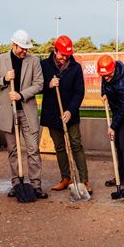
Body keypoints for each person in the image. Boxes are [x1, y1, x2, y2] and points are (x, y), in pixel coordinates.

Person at [0, 29, 47, 199]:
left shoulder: (34, 61)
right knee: (13, 151)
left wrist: (21, 95)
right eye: (22, 48)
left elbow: (39, 84)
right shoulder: (0, 60)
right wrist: (5, 80)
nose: (25, 51)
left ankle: (36, 185)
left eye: (27, 48)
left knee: (33, 149)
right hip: (9, 112)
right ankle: (17, 183)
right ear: (14, 45)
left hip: (27, 111)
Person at [40, 35, 92, 195]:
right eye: (62, 54)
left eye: (67, 55)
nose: (64, 58)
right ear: (55, 51)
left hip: (70, 114)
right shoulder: (44, 65)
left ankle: (84, 181)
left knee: (76, 145)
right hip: (52, 113)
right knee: (59, 147)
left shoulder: (75, 68)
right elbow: (37, 86)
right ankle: (65, 178)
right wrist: (48, 85)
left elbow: (79, 92)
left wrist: (70, 111)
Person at [98, 55, 124, 193]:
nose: (105, 78)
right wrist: (103, 93)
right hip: (118, 112)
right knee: (117, 145)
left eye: (108, 75)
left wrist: (113, 126)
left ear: (113, 69)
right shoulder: (105, 75)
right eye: (103, 75)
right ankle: (119, 176)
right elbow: (103, 84)